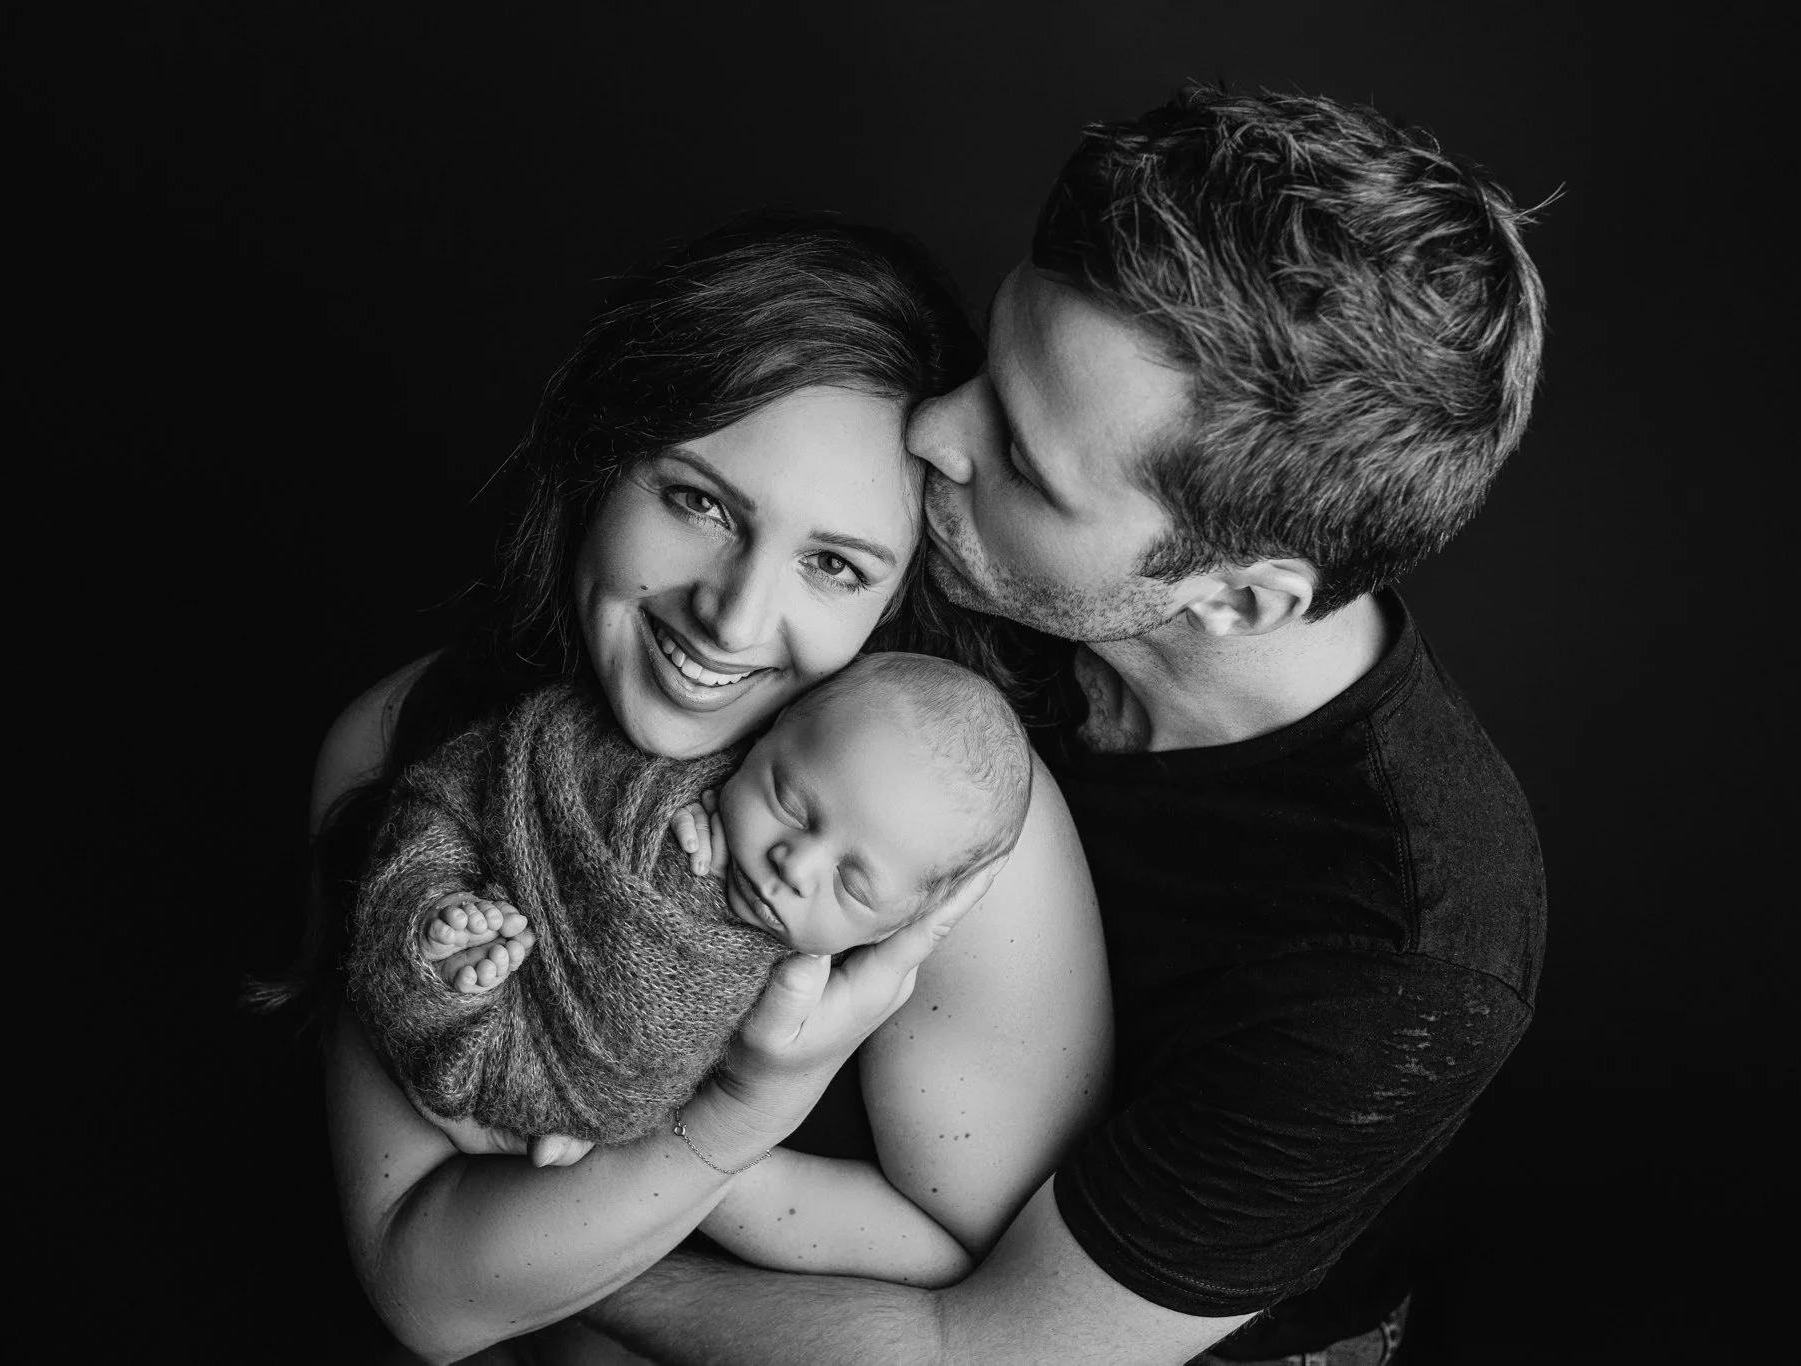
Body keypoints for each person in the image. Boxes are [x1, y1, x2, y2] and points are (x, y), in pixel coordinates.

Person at [580, 86, 1549, 1366]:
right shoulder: (975, 542)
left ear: (1238, 596)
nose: (934, 431)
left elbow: (981, 1349)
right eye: (990, 362)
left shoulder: (1395, 955)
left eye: (1024, 464)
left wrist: (545, 1262)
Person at [301, 212, 1113, 1363]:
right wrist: (722, 1128)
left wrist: (677, 1153)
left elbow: (988, 1305)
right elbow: (425, 1291)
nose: (732, 617)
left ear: (895, 596)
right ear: (604, 458)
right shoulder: (405, 743)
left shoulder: (953, 836)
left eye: (832, 564)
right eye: (699, 503)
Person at [345, 653, 1033, 1288]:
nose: (795, 863)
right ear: (765, 736)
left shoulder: (839, 993)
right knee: (436, 911)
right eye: (789, 803)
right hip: (490, 926)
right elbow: (544, 776)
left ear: (896, 929)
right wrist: (672, 807)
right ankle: (448, 952)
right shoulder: (679, 784)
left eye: (852, 886)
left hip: (567, 1102)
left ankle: (462, 989)